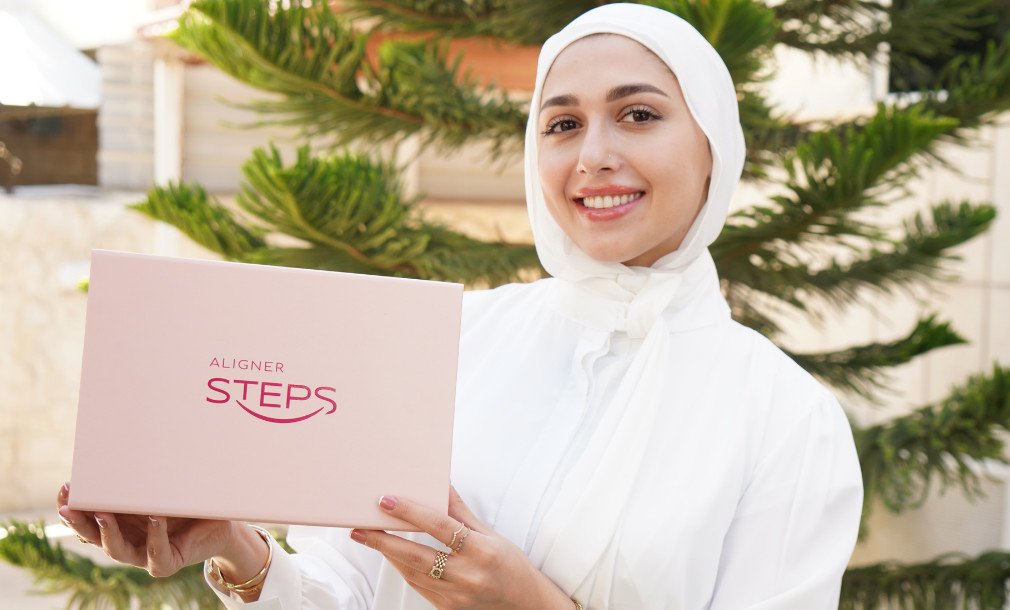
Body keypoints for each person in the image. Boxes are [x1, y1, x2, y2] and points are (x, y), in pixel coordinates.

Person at [57, 4, 864, 609]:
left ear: (715, 145)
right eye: (562, 123)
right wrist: (235, 550)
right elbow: (349, 593)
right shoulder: (454, 344)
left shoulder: (786, 421)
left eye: (639, 114)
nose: (594, 156)